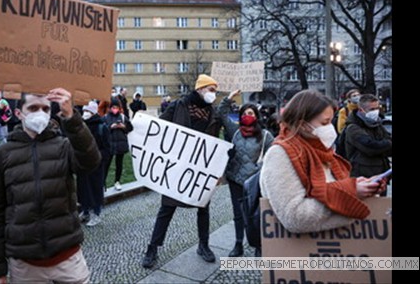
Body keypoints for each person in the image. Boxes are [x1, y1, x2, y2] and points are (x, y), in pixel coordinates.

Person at [0, 88, 101, 284]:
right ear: (19, 113)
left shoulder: (63, 146)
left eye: (45, 109)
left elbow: (91, 161)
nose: (40, 113)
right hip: (25, 265)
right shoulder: (0, 156)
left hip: (68, 257)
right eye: (33, 107)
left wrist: (71, 117)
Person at [259, 90, 387, 233]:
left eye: (331, 121)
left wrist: (364, 187)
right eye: (325, 122)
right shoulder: (279, 154)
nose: (330, 128)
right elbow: (295, 217)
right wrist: (351, 192)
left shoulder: (322, 151)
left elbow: (332, 189)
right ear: (303, 125)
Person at [142, 74, 222, 268]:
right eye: (211, 90)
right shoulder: (179, 106)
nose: (214, 94)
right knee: (167, 209)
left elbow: (217, 141)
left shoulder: (213, 113)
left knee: (203, 207)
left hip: (200, 170)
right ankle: (152, 248)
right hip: (177, 167)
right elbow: (159, 127)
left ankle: (203, 245)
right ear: (201, 89)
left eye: (215, 91)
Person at [217, 89, 274, 257]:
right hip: (236, 179)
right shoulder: (234, 130)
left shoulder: (265, 136)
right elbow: (222, 112)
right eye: (244, 113)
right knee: (238, 214)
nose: (247, 115)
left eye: (251, 113)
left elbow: (272, 157)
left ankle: (259, 245)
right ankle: (238, 244)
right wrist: (230, 97)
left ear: (256, 116)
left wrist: (260, 170)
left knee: (256, 215)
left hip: (255, 182)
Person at [344, 94, 392, 195]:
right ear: (361, 110)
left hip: (380, 175)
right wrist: (387, 143)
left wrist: (385, 144)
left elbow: (387, 143)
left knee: (381, 208)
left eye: (377, 108)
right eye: (372, 109)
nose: (376, 112)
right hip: (362, 176)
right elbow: (371, 147)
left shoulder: (377, 124)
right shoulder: (353, 128)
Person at [77, 101, 111, 226]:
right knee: (83, 188)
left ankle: (96, 213)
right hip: (82, 163)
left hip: (96, 164)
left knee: (95, 189)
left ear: (93, 112)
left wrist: (98, 157)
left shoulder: (101, 126)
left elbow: (107, 148)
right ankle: (85, 210)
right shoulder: (80, 125)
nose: (85, 113)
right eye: (84, 110)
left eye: (88, 111)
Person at [103, 102, 133, 191]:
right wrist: (110, 127)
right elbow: (102, 129)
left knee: (119, 164)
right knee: (106, 165)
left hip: (121, 144)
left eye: (116, 107)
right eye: (113, 107)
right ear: (110, 108)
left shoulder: (123, 117)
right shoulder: (105, 117)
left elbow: (130, 128)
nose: (115, 109)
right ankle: (102, 183)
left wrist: (123, 127)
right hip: (109, 144)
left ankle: (117, 181)